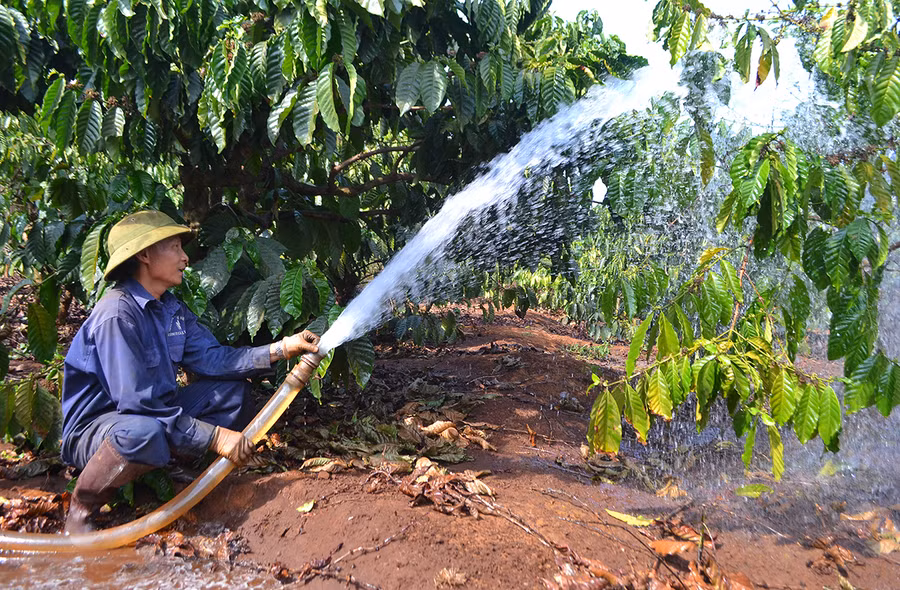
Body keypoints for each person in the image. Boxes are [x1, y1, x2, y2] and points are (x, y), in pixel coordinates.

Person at [60, 210, 320, 534]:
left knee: (233, 393)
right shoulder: (117, 314)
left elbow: (215, 359)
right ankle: (81, 509)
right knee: (142, 433)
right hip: (101, 430)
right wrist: (215, 437)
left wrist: (282, 348)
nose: (185, 257)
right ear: (144, 255)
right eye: (175, 247)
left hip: (152, 415)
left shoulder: (170, 309)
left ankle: (177, 473)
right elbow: (137, 404)